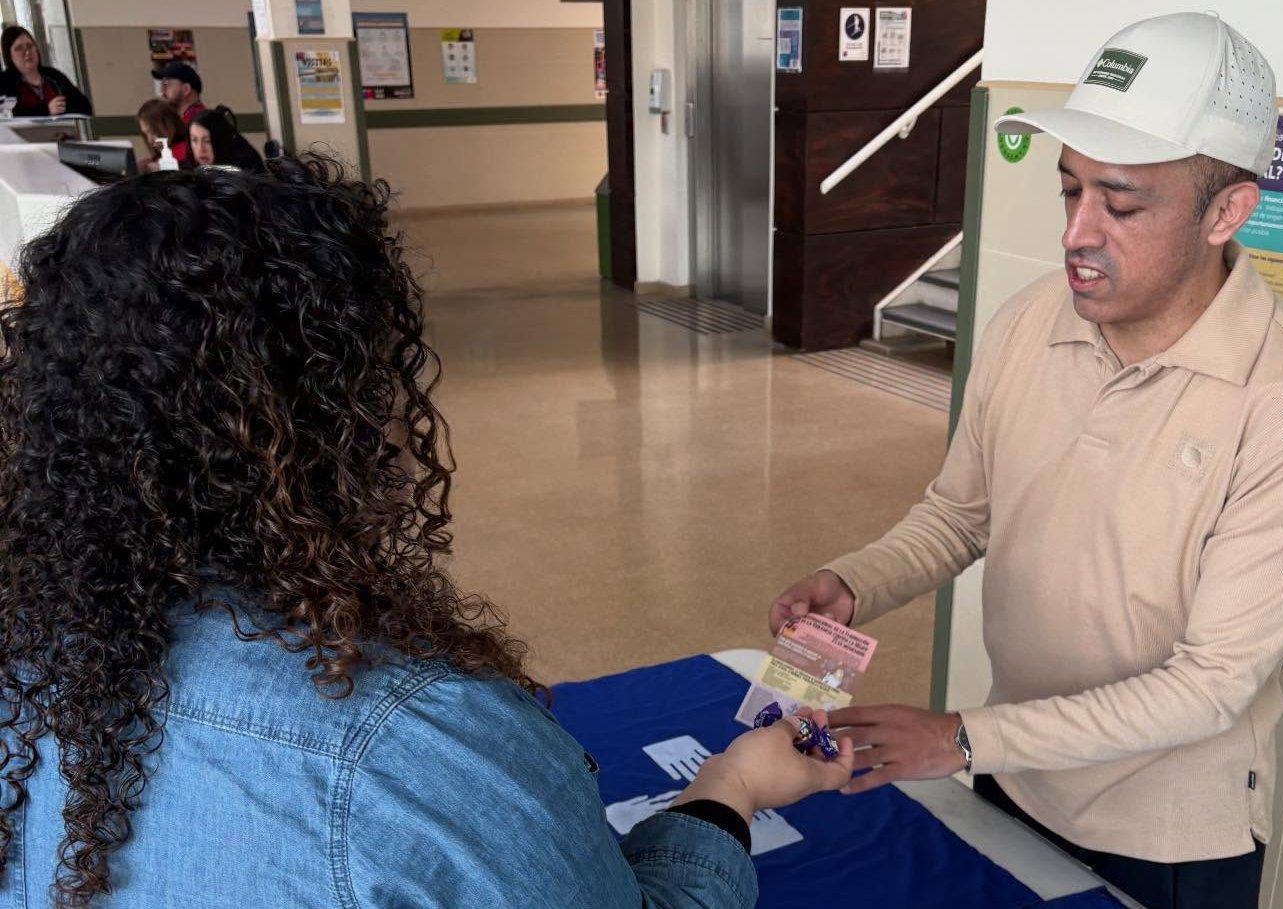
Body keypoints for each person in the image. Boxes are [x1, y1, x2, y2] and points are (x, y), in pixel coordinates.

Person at [0, 156, 855, 908]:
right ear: (320, 426)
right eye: (381, 381)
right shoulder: (416, 744)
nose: (408, 425)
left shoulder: (35, 659)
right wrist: (731, 787)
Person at [769, 13, 1283, 909]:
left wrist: (960, 738)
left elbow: (1210, 686)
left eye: (1120, 206)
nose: (1078, 234)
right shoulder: (1029, 323)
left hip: (1166, 830)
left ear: (1226, 213)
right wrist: (855, 582)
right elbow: (960, 513)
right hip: (1015, 773)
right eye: (1069, 190)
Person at [0, 25, 92, 117]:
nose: (27, 52)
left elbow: (85, 107)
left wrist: (62, 108)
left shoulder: (54, 76)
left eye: (30, 46)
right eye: (19, 48)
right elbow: (8, 114)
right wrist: (46, 110)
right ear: (9, 56)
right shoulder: (5, 83)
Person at [190, 105, 265, 172]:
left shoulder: (245, 166)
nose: (200, 149)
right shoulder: (189, 169)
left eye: (207, 141)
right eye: (194, 140)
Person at [135, 96, 190, 172]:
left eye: (152, 132)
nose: (149, 140)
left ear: (170, 125)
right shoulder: (159, 157)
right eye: (146, 134)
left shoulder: (187, 153)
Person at [152, 59, 204, 125]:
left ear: (186, 89)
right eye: (162, 85)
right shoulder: (181, 121)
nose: (162, 90)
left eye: (166, 84)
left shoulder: (200, 123)